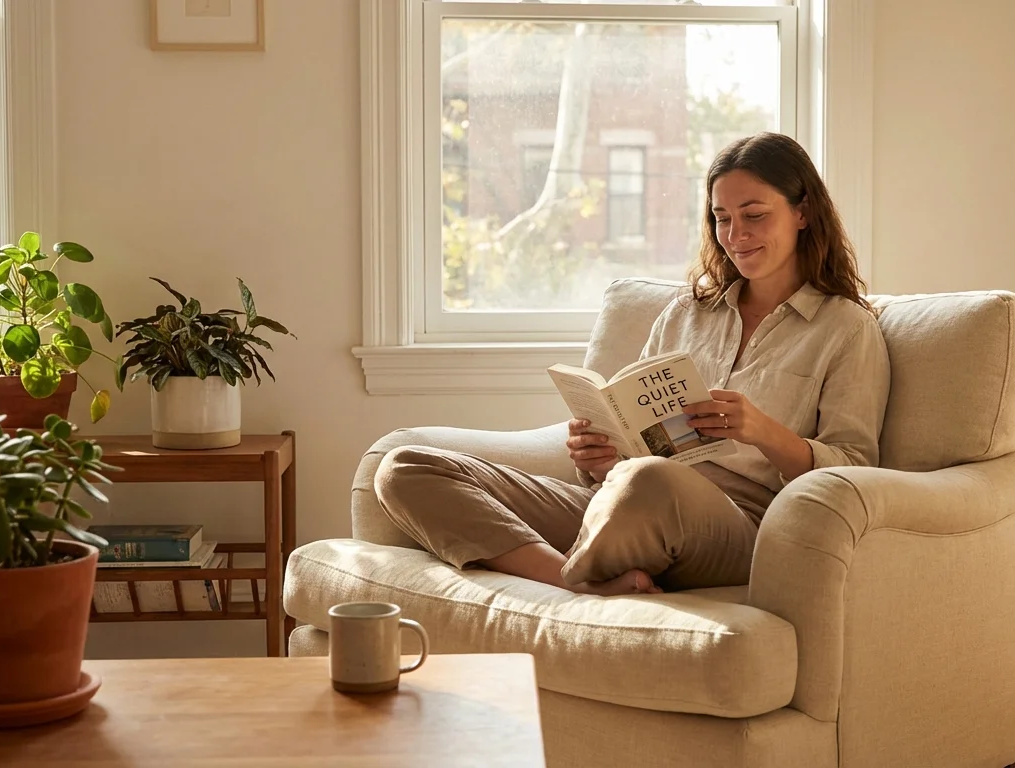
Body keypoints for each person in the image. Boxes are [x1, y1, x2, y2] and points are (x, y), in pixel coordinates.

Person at [374, 132, 890, 596]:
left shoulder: (845, 328)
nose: (735, 235)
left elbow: (857, 471)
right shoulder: (688, 313)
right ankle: (575, 581)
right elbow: (631, 436)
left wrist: (764, 432)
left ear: (802, 212)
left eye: (755, 215)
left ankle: (576, 572)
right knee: (404, 467)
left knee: (650, 481)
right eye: (722, 218)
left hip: (741, 524)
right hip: (624, 500)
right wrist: (596, 454)